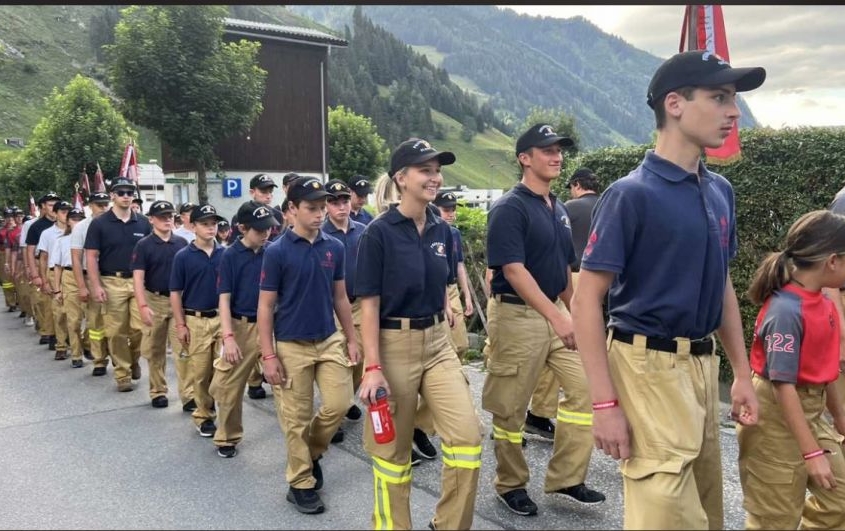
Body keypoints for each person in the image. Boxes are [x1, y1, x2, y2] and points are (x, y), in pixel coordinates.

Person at [570, 50, 766, 529]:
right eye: (720, 97)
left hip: (701, 365)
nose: (733, 112)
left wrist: (740, 372)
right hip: (645, 365)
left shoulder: (720, 190)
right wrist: (603, 404)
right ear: (674, 104)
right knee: (667, 513)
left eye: (734, 99)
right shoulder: (629, 195)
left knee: (707, 508)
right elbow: (586, 299)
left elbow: (719, 283)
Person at [355, 138, 482, 530]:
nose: (435, 177)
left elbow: (441, 281)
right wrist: (371, 367)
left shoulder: (442, 231)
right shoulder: (378, 234)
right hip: (394, 347)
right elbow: (369, 305)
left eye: (437, 170)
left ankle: (448, 524)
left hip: (438, 342)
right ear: (401, 178)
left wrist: (446, 305)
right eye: (425, 170)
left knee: (467, 439)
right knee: (392, 454)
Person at [483, 124, 604, 517]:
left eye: (559, 150)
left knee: (586, 389)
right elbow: (514, 270)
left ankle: (567, 477)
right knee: (510, 408)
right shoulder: (509, 207)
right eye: (547, 150)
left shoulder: (560, 210)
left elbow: (565, 270)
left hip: (555, 312)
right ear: (524, 158)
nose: (557, 156)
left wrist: (578, 316)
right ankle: (510, 483)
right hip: (516, 315)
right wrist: (558, 317)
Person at [257, 177, 359, 515]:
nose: (319, 214)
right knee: (295, 419)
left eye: (322, 207)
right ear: (291, 210)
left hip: (329, 340)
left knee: (340, 404)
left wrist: (352, 338)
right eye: (311, 208)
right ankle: (300, 482)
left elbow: (340, 297)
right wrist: (268, 355)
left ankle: (312, 452)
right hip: (291, 345)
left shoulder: (335, 247)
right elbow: (266, 306)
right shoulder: (276, 252)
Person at [738, 209, 845, 529]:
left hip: (810, 408)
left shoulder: (823, 303)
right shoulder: (786, 310)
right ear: (832, 262)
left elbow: (827, 371)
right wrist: (811, 453)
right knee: (775, 518)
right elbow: (782, 386)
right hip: (775, 413)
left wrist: (839, 416)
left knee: (839, 500)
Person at [211, 200, 279, 458]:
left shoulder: (273, 252)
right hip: (241, 326)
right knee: (226, 387)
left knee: (286, 382)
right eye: (259, 230)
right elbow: (224, 299)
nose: (265, 234)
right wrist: (228, 337)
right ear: (242, 228)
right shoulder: (229, 255)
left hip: (272, 326)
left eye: (269, 229)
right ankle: (227, 437)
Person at [85, 178, 152, 392]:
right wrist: (95, 286)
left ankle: (133, 361)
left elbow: (151, 253)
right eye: (121, 192)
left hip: (138, 281)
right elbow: (91, 257)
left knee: (141, 329)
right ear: (112, 195)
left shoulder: (143, 222)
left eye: (130, 192)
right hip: (111, 281)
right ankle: (122, 373)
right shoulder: (99, 223)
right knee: (115, 332)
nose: (126, 196)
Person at [170, 203, 226, 436]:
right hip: (196, 319)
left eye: (214, 224)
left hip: (222, 318)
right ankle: (203, 415)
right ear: (193, 226)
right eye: (205, 224)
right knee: (201, 373)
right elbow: (175, 292)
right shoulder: (184, 256)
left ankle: (223, 412)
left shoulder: (226, 253)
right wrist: (181, 324)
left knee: (223, 371)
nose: (211, 228)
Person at [130, 200, 191, 409]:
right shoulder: (144, 245)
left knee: (183, 349)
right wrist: (142, 306)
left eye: (170, 216)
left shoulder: (182, 243)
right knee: (154, 349)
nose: (167, 220)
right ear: (152, 220)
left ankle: (189, 395)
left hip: (177, 302)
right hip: (153, 300)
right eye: (162, 217)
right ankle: (158, 391)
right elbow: (138, 278)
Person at [322, 179, 367, 440]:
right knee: (338, 360)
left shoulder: (364, 230)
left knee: (358, 357)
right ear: (326, 205)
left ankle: (346, 399)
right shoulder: (322, 234)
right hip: (331, 305)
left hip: (360, 303)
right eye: (334, 202)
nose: (341, 207)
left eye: (345, 201)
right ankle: (334, 412)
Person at [70, 191, 111, 376]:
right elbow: (77, 259)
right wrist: (82, 286)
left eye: (105, 204)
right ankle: (99, 360)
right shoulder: (81, 227)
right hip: (90, 276)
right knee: (95, 321)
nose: (103, 208)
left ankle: (119, 356)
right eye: (98, 204)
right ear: (90, 206)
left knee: (116, 321)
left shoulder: (115, 223)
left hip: (113, 277)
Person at [432, 190, 474, 359]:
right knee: (447, 343)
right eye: (446, 210)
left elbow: (459, 264)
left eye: (453, 209)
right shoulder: (431, 233)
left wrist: (468, 295)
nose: (450, 214)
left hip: (452, 287)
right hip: (437, 289)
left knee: (461, 343)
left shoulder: (454, 233)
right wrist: (446, 303)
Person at [50, 207, 86, 367]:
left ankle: (88, 344)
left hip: (89, 276)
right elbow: (57, 266)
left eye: (80, 219)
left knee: (93, 320)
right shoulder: (62, 241)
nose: (77, 222)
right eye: (74, 219)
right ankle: (77, 354)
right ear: (68, 222)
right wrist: (57, 289)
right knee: (74, 320)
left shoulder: (91, 237)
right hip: (70, 277)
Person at [26, 192, 61, 349]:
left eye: (55, 204)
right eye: (50, 204)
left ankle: (62, 335)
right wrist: (35, 275)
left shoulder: (66, 224)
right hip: (44, 267)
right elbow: (30, 251)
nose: (53, 208)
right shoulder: (37, 227)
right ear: (43, 207)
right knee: (47, 303)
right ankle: (50, 333)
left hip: (62, 268)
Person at [39, 200, 72, 359]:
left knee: (75, 312)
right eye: (63, 212)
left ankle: (76, 341)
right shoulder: (47, 233)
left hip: (73, 273)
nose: (66, 215)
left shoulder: (76, 231)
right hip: (54, 272)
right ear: (56, 213)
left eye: (68, 212)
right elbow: (43, 258)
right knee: (58, 312)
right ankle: (61, 345)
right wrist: (44, 280)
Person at [564, 168, 601, 272]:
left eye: (571, 188)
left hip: (577, 272)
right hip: (607, 272)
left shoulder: (570, 206)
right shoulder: (609, 204)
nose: (571, 192)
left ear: (577, 184)